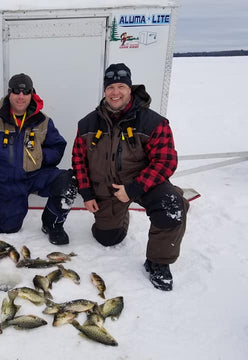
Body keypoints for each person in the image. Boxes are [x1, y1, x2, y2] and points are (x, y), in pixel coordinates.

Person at [72, 63, 189, 291]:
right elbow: (78, 160)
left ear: (130, 89)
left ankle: (158, 262)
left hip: (143, 184)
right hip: (107, 189)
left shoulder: (153, 122)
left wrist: (133, 190)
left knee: (171, 206)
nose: (115, 92)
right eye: (110, 87)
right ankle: (119, 216)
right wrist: (86, 193)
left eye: (121, 87)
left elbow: (166, 161)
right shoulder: (87, 124)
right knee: (108, 238)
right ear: (104, 91)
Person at [0, 73, 77, 245]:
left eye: (26, 91)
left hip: (33, 176)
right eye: (16, 91)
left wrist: (41, 156)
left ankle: (52, 224)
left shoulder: (43, 121)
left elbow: (58, 147)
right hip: (4, 182)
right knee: (8, 227)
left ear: (32, 94)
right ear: (9, 93)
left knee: (68, 181)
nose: (21, 96)